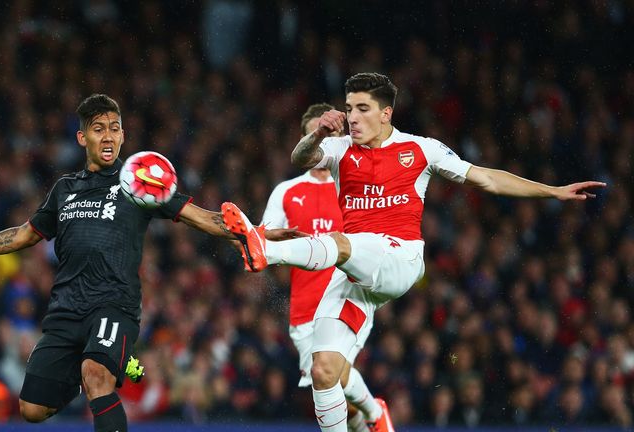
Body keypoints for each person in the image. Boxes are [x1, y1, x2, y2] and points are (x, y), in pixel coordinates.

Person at [221, 72, 606, 432]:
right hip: (356, 274)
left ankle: (266, 251)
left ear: (386, 113)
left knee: (340, 244)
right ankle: (371, 416)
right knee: (323, 370)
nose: (352, 117)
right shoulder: (339, 149)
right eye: (349, 107)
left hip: (400, 258)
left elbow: (487, 178)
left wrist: (552, 191)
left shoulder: (421, 149)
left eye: (362, 109)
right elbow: (300, 160)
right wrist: (318, 134)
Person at [0, 94, 301, 432]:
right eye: (98, 129)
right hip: (66, 310)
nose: (108, 136)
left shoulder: (138, 182)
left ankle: (104, 361)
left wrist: (258, 232)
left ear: (123, 137)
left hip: (113, 303)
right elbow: (23, 235)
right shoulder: (64, 190)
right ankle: (109, 359)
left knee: (96, 374)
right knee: (32, 409)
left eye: (115, 129)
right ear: (81, 138)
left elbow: (203, 217)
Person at [262, 103, 392, 432]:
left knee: (328, 371)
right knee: (338, 402)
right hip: (305, 311)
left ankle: (376, 416)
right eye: (314, 136)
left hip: (347, 296)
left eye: (329, 133)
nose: (322, 143)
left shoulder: (359, 185)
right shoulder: (287, 191)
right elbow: (262, 242)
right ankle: (371, 415)